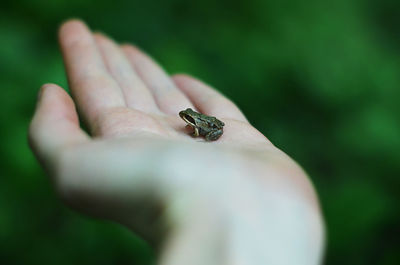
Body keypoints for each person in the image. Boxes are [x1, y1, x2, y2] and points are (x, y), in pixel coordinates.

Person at [28, 19, 325, 265]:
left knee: (211, 129)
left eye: (187, 117)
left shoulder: (196, 126)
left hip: (212, 126)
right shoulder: (191, 120)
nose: (185, 119)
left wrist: (200, 133)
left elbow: (206, 127)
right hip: (211, 124)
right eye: (187, 117)